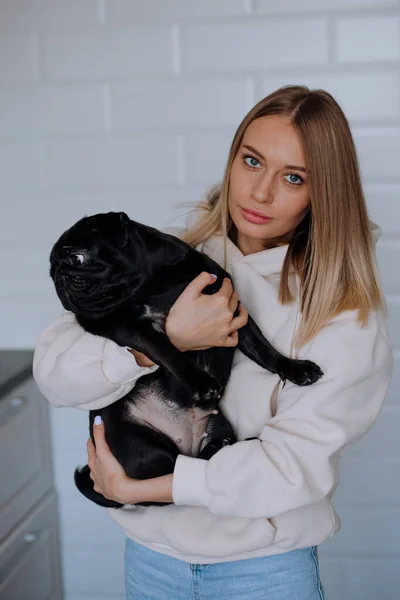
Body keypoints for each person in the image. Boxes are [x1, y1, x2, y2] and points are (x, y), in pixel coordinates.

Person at [33, 85, 393, 600]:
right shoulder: (164, 258)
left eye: (294, 177)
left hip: (264, 576)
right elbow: (55, 375)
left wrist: (140, 489)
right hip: (151, 564)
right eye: (252, 161)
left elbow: (291, 469)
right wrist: (163, 340)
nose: (261, 192)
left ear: (324, 194)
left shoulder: (342, 313)